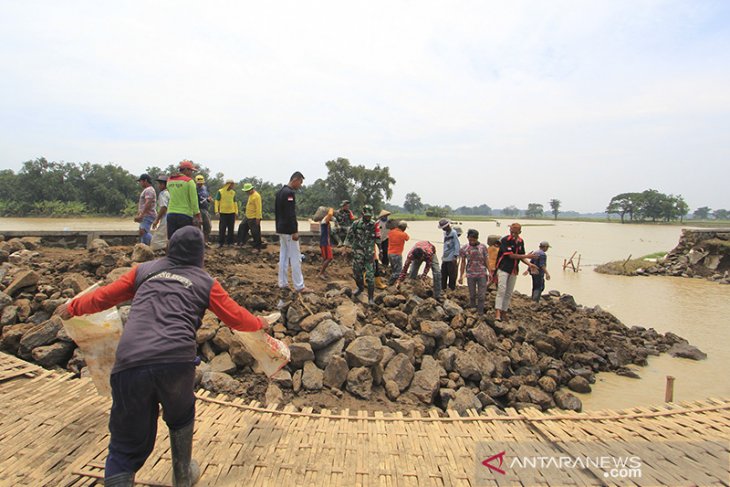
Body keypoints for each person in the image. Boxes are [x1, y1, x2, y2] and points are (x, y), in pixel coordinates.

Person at [53, 226, 268, 487]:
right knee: (180, 415)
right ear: (201, 255)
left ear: (168, 249)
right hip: (176, 363)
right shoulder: (205, 281)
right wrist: (260, 323)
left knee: (124, 445)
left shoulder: (143, 271)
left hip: (130, 363)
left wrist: (72, 307)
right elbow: (235, 316)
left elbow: (104, 297)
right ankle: (183, 475)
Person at [275, 171, 311, 298]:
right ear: (295, 180)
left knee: (283, 257)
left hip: (281, 229)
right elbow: (291, 213)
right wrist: (294, 230)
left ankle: (283, 283)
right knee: (296, 258)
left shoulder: (280, 192)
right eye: (300, 182)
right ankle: (299, 286)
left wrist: (278, 227)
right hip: (289, 230)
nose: (300, 185)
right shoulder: (289, 193)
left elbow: (278, 212)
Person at [494, 223, 538, 321]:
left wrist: (529, 264)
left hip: (514, 269)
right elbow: (511, 255)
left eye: (515, 232)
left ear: (520, 232)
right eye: (511, 231)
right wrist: (526, 256)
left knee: (509, 292)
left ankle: (504, 311)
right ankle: (497, 312)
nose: (513, 234)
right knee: (501, 290)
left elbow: (521, 256)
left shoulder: (521, 241)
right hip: (503, 268)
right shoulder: (505, 240)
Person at [349, 204, 380, 304]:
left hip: (369, 254)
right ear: (362, 213)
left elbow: (378, 238)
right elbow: (349, 236)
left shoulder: (374, 224)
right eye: (366, 215)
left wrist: (382, 251)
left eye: (369, 216)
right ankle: (360, 288)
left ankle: (371, 298)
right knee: (357, 273)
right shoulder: (356, 224)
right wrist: (345, 248)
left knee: (370, 276)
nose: (368, 217)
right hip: (358, 253)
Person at [166, 160, 202, 239]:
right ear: (186, 170)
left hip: (171, 213)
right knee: (184, 239)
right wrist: (198, 215)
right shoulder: (189, 181)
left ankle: (171, 251)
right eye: (191, 170)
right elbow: (194, 200)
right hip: (185, 215)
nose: (191, 173)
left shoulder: (169, 181)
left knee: (172, 239)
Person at [458, 229, 489, 314]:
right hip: (470, 274)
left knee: (481, 295)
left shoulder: (483, 247)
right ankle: (472, 310)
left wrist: (490, 272)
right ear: (467, 238)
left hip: (482, 273)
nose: (472, 241)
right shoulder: (464, 248)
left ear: (477, 238)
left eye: (473, 239)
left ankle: (480, 313)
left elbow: (486, 260)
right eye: (470, 239)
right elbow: (463, 263)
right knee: (472, 295)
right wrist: (461, 276)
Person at [238, 182, 263, 252]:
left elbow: (258, 208)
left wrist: (258, 218)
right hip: (248, 216)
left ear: (251, 189)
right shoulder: (250, 195)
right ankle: (242, 242)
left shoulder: (256, 196)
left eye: (247, 191)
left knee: (255, 232)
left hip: (254, 217)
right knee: (242, 226)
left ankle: (257, 247)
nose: (246, 193)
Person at [214, 179, 238, 247]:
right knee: (222, 228)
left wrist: (236, 212)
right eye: (232, 184)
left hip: (232, 213)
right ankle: (220, 243)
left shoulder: (233, 192)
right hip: (223, 213)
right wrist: (216, 211)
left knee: (231, 228)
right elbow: (217, 201)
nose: (233, 185)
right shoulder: (220, 191)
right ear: (228, 184)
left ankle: (230, 243)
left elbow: (235, 202)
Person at [134, 174, 157, 246]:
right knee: (142, 232)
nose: (140, 183)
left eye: (140, 181)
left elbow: (148, 203)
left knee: (143, 232)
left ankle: (155, 244)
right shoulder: (147, 190)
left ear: (145, 181)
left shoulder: (149, 190)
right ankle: (144, 248)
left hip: (148, 215)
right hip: (146, 214)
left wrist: (142, 215)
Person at [438, 218, 460, 292]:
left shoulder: (453, 233)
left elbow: (457, 244)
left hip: (451, 258)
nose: (443, 229)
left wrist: (455, 256)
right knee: (443, 274)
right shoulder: (445, 234)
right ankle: (443, 288)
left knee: (452, 274)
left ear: (447, 226)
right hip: (445, 257)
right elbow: (445, 245)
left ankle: (451, 289)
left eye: (443, 228)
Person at [317, 208, 335, 280]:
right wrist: (331, 209)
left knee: (325, 258)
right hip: (325, 242)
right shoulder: (325, 220)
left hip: (324, 241)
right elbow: (330, 214)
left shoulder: (324, 220)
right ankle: (321, 273)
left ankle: (322, 272)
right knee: (329, 258)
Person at [195, 175, 212, 243]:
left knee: (207, 226)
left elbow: (207, 197)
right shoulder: (193, 189)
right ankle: (198, 242)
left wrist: (209, 199)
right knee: (197, 226)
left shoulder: (205, 188)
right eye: (198, 183)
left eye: (201, 183)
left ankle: (206, 241)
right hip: (197, 209)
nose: (200, 184)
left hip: (205, 209)